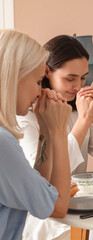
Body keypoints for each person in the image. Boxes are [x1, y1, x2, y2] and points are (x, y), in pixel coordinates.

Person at [18, 35, 93, 240]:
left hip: (82, 208)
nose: (78, 86)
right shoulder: (26, 116)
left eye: (83, 77)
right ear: (47, 71)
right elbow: (46, 180)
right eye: (70, 78)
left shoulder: (78, 112)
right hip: (48, 219)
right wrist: (83, 122)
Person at [0, 30, 72, 240]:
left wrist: (46, 131)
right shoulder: (2, 143)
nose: (40, 91)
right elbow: (58, 207)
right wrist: (59, 132)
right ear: (16, 76)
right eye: (39, 81)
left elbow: (37, 194)